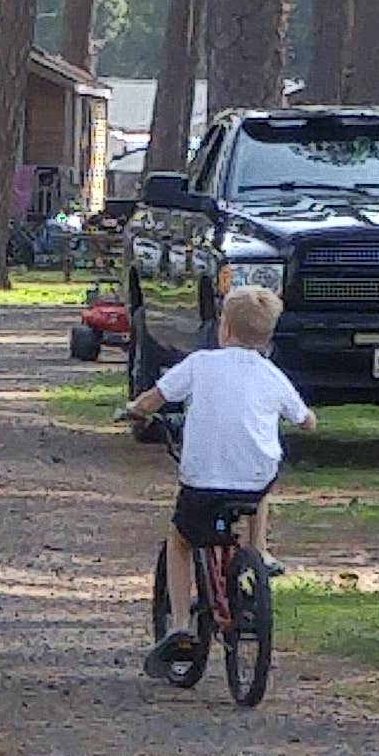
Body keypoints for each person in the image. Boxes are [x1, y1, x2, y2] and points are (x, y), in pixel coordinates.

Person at [129, 280, 312, 679]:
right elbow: (306, 419)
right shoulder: (272, 374)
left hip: (202, 483)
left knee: (180, 539)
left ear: (223, 328)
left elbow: (153, 399)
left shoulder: (199, 364)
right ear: (267, 337)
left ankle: (179, 625)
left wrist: (134, 410)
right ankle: (258, 549)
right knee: (262, 478)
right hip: (252, 481)